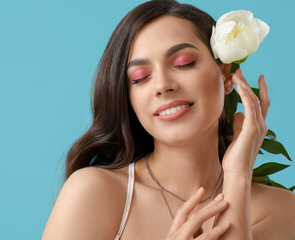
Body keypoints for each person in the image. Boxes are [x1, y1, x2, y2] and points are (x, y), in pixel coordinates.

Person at [42, 0, 295, 239]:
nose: (163, 85)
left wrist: (238, 175)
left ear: (226, 74)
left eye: (184, 63)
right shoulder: (94, 192)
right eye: (140, 77)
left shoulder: (285, 212)